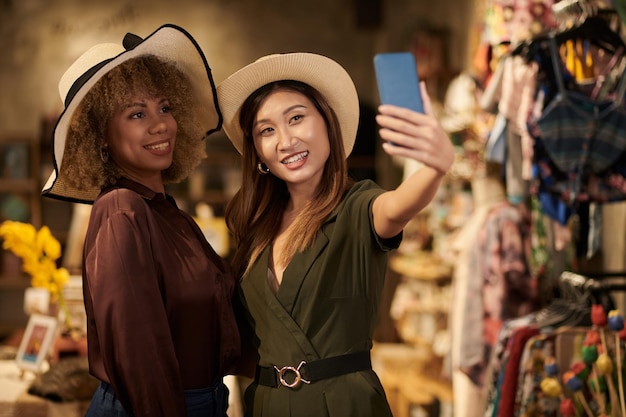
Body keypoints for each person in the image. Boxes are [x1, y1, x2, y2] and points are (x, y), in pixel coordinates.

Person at [216, 52, 454, 416]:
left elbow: (397, 206)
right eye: (267, 130)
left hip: (344, 405)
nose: (285, 141)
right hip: (267, 404)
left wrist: (435, 168)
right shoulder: (257, 228)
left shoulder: (357, 208)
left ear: (328, 124)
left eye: (296, 118)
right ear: (259, 152)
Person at [41, 24, 240, 417]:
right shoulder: (121, 210)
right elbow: (139, 355)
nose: (160, 125)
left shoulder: (165, 213)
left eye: (165, 107)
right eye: (136, 113)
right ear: (100, 135)